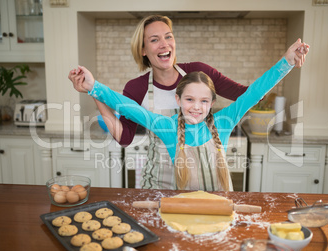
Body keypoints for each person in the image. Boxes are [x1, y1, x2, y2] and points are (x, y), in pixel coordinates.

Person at [69, 15, 308, 190]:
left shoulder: (223, 120)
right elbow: (126, 109)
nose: (196, 106)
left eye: (204, 100)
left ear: (213, 101)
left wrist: (286, 62)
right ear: (178, 98)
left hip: (216, 202)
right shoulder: (166, 125)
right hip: (163, 190)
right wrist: (93, 87)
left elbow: (253, 93)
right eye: (189, 99)